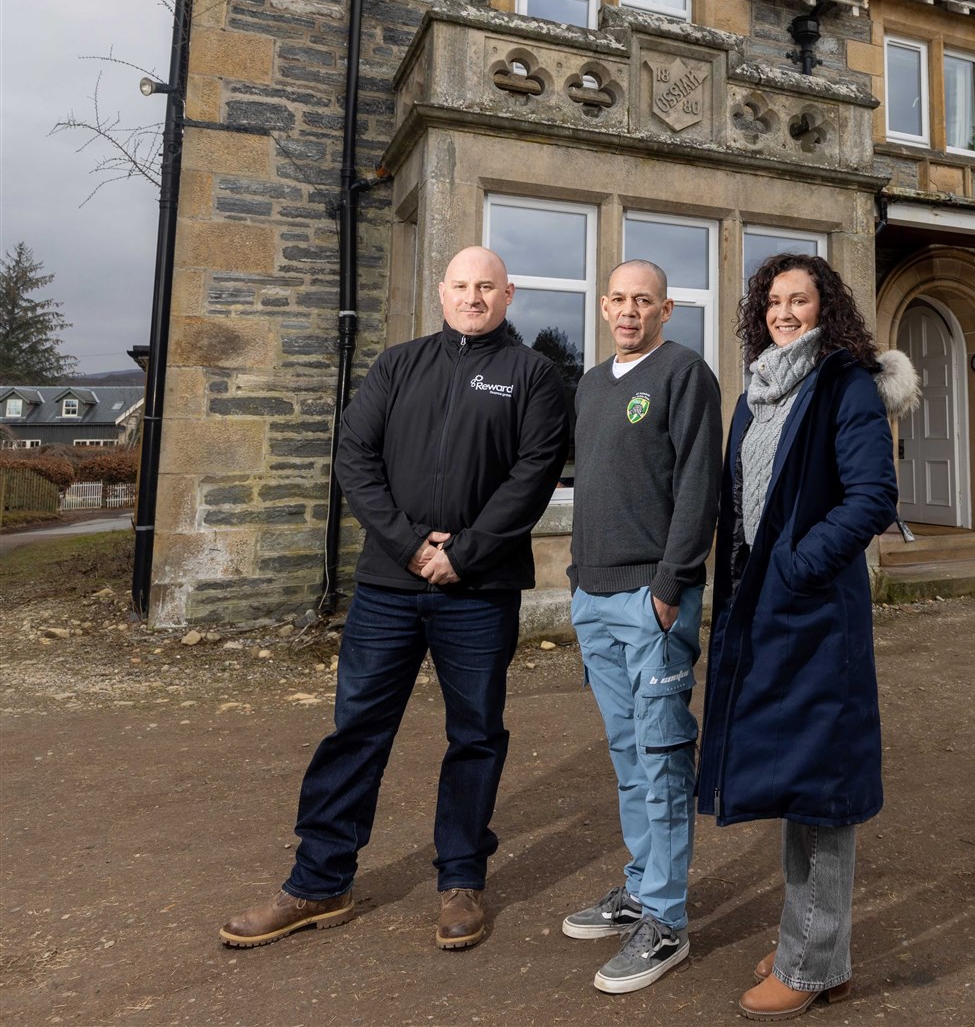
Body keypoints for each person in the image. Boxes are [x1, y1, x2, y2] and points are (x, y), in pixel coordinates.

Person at [220, 246, 568, 951]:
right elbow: (355, 455)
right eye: (462, 286)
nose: (473, 297)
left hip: (479, 591)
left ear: (509, 294)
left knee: (474, 736)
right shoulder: (397, 364)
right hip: (387, 587)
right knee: (356, 730)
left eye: (487, 287)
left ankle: (462, 880)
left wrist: (462, 554)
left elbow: (534, 475)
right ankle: (320, 881)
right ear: (442, 292)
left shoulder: (532, 375)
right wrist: (411, 546)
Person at [697, 253, 918, 1020]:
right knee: (793, 781)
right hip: (766, 613)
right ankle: (811, 941)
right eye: (774, 302)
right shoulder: (758, 392)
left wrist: (796, 565)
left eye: (800, 300)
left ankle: (815, 961)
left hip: (815, 613)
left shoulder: (843, 384)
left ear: (827, 310)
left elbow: (872, 498)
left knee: (823, 791)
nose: (785, 313)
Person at [562, 260, 722, 993]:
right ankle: (639, 888)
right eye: (619, 300)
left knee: (661, 757)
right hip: (592, 597)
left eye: (644, 301)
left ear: (666, 309)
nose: (630, 311)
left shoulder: (686, 374)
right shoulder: (593, 384)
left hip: (651, 599)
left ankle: (666, 920)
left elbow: (698, 486)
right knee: (628, 753)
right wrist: (576, 581)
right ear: (604, 308)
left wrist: (670, 585)